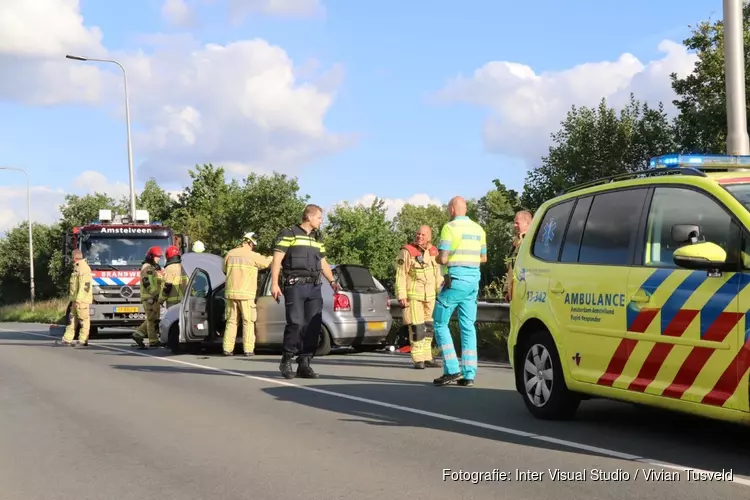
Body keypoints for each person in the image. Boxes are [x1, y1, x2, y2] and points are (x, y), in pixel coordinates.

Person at [270, 204, 338, 379]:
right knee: (296, 323)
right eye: (319, 218)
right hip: (295, 286)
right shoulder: (289, 233)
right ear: (309, 217)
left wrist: (332, 281)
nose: (321, 221)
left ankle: (304, 362)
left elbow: (323, 262)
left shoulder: (318, 237)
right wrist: (274, 284)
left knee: (313, 326)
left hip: (314, 286)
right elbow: (277, 260)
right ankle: (286, 359)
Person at [432, 196, 487, 387]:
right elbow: (484, 257)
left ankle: (452, 370)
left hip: (455, 281)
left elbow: (444, 258)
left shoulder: (450, 227)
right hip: (473, 283)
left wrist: (437, 258)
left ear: (452, 209)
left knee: (439, 322)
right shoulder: (479, 229)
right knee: (468, 326)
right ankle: (469, 374)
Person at [395, 225, 443, 369]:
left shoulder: (433, 251)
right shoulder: (407, 251)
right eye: (418, 234)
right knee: (417, 327)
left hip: (430, 296)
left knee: (429, 327)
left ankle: (427, 356)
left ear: (429, 237)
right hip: (414, 295)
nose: (419, 237)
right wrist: (401, 294)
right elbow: (401, 274)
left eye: (423, 235)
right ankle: (418, 358)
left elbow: (437, 274)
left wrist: (440, 293)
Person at [222, 232, 272, 356]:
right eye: (253, 245)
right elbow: (267, 263)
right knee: (248, 321)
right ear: (250, 242)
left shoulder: (230, 254)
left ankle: (227, 349)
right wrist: (272, 257)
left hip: (230, 294)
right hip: (246, 295)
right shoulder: (252, 256)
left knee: (231, 321)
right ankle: (248, 349)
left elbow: (224, 269)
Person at [59, 249, 93, 347]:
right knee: (72, 319)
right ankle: (67, 339)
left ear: (74, 258)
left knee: (83, 320)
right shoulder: (77, 267)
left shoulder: (84, 269)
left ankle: (83, 340)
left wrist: (79, 299)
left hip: (81, 300)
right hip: (75, 300)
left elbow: (85, 286)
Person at [133, 246, 164, 349]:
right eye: (156, 256)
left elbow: (154, 281)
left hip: (152, 297)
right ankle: (153, 341)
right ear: (151, 256)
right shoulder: (147, 268)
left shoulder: (152, 267)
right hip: (149, 297)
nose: (158, 259)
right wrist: (155, 293)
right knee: (151, 319)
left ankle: (138, 334)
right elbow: (147, 282)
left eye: (159, 257)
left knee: (153, 318)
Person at [503, 210, 532, 302]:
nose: (514, 225)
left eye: (517, 223)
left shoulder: (533, 239)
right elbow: (511, 268)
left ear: (527, 223)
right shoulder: (516, 241)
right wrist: (506, 289)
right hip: (516, 291)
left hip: (528, 291)